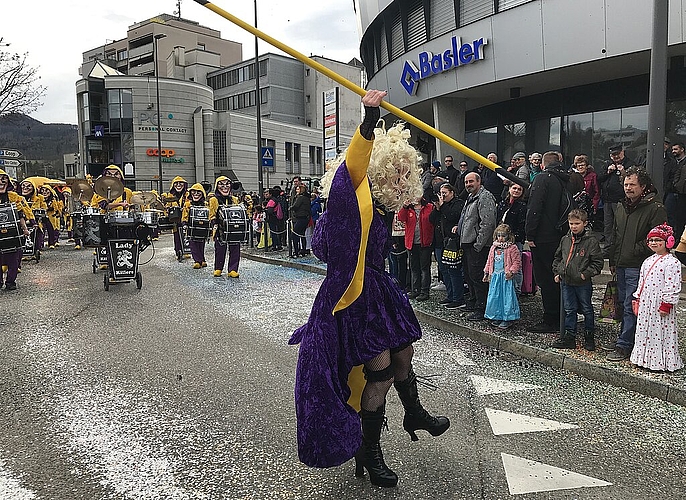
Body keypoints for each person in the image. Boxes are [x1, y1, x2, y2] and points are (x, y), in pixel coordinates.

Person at [288, 90, 449, 487]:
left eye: (404, 173)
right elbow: (352, 167)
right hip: (353, 298)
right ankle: (369, 451)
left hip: (378, 291)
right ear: (376, 170)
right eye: (393, 171)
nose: (400, 179)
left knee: (404, 353)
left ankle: (413, 412)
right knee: (378, 373)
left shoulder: (379, 207)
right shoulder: (349, 201)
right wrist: (368, 120)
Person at [604, 168, 668, 362]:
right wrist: (613, 259)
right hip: (622, 263)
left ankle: (625, 344)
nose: (628, 188)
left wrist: (634, 251)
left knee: (632, 304)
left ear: (643, 186)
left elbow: (659, 237)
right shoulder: (621, 206)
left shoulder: (655, 208)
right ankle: (625, 339)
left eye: (632, 184)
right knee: (623, 303)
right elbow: (615, 235)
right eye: (626, 184)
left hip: (639, 265)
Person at [525, 151, 578, 333]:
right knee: (557, 277)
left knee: (545, 279)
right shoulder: (566, 180)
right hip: (561, 235)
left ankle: (550, 319)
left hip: (543, 236)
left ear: (542, 165)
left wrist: (530, 234)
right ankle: (564, 315)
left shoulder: (542, 179)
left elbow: (535, 207)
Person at [630, 224, 683, 372]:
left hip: (660, 303)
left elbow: (673, 285)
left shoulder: (672, 263)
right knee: (644, 331)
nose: (653, 243)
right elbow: (642, 281)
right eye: (651, 240)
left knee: (660, 331)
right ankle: (643, 358)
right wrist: (638, 298)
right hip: (647, 303)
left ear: (668, 242)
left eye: (658, 240)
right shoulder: (647, 261)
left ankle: (661, 361)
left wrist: (667, 304)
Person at [551, 209, 604, 350]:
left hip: (582, 283)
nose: (574, 227)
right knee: (569, 309)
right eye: (571, 223)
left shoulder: (591, 241)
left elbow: (597, 263)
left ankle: (589, 335)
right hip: (566, 281)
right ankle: (570, 336)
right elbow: (558, 257)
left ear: (584, 223)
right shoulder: (566, 239)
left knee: (587, 309)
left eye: (577, 223)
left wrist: (585, 274)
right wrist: (557, 271)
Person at [459, 172, 497, 321]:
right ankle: (475, 302)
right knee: (470, 276)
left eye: (471, 181)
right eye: (466, 182)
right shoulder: (470, 197)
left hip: (478, 246)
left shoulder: (484, 197)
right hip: (468, 243)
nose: (468, 184)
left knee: (479, 278)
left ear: (479, 181)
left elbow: (488, 223)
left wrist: (478, 244)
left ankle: (482, 308)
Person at [430, 182, 465, 308]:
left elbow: (452, 216)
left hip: (452, 242)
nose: (442, 196)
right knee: (444, 270)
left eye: (445, 193)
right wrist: (437, 208)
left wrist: (443, 206)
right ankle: (450, 295)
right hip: (440, 242)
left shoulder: (458, 203)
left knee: (453, 271)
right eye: (441, 193)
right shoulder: (441, 206)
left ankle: (458, 298)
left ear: (452, 193)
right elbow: (431, 220)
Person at [597, 144, 636, 253]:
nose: (616, 157)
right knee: (608, 225)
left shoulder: (630, 164)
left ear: (622, 152)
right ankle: (608, 248)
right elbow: (599, 178)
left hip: (621, 200)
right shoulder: (607, 164)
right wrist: (608, 172)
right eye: (613, 155)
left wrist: (624, 173)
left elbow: (635, 180)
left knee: (621, 225)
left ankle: (622, 248)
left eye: (617, 154)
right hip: (607, 200)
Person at [483, 224, 521, 329]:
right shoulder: (493, 247)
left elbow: (517, 262)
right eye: (498, 235)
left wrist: (512, 271)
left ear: (508, 236)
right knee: (495, 297)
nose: (500, 238)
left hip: (506, 277)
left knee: (507, 298)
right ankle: (497, 315)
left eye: (503, 236)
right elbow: (489, 261)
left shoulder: (512, 248)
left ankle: (508, 318)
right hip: (495, 276)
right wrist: (486, 272)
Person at [0, 169, 33, 290]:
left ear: (7, 182)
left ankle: (10, 282)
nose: (1, 182)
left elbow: (20, 214)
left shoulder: (13, 196)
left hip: (13, 232)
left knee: (13, 258)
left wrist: (25, 229)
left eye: (3, 179)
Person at [398, 196, 435, 301]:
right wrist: (404, 206)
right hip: (411, 243)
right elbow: (400, 218)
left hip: (425, 243)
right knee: (414, 268)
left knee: (424, 268)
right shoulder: (408, 208)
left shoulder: (429, 206)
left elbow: (433, 220)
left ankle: (424, 291)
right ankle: (415, 290)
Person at [209, 176, 242, 278]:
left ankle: (233, 269)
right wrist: (214, 222)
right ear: (216, 186)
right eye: (221, 184)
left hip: (233, 227)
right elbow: (211, 214)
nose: (224, 187)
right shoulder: (213, 200)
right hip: (220, 228)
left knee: (235, 248)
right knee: (220, 249)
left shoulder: (234, 199)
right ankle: (218, 268)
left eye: (227, 184)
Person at [181, 183, 208, 269]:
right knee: (193, 244)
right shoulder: (188, 204)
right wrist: (184, 223)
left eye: (198, 193)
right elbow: (185, 214)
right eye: (194, 193)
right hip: (191, 227)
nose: (196, 195)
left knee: (201, 244)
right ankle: (197, 260)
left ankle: (202, 259)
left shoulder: (205, 204)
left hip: (203, 227)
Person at [164, 176, 189, 261]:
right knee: (176, 236)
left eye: (180, 183)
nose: (178, 185)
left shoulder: (187, 194)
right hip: (175, 219)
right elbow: (167, 206)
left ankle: (186, 250)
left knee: (186, 234)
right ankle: (178, 251)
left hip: (186, 218)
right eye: (176, 183)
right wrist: (167, 209)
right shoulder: (170, 195)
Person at [289, 183, 311, 257]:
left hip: (300, 217)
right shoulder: (306, 198)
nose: (296, 190)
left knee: (295, 234)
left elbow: (295, 206)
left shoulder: (300, 198)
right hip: (305, 218)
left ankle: (296, 251)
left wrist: (291, 208)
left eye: (298, 189)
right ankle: (303, 250)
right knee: (302, 234)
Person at [265, 187, 286, 251]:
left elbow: (270, 211)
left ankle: (276, 245)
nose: (265, 195)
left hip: (273, 218)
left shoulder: (272, 201)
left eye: (267, 194)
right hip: (276, 218)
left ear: (271, 194)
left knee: (274, 232)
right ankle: (278, 245)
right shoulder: (275, 199)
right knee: (276, 232)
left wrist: (265, 210)